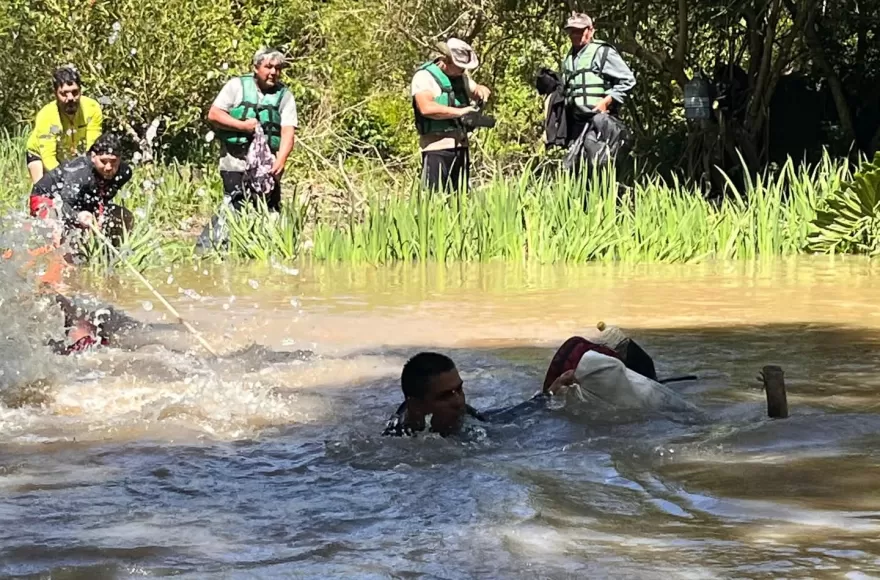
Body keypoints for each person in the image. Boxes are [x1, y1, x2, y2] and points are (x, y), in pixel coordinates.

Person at [383, 329, 697, 438]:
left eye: (460, 389)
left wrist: (546, 398)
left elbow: (500, 420)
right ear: (415, 405)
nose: (458, 402)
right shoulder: (400, 441)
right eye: (445, 396)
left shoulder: (461, 415)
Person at [207, 47, 297, 213]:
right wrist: (242, 126)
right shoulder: (236, 86)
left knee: (269, 211)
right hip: (235, 161)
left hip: (268, 164)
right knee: (234, 209)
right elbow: (214, 114)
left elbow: (288, 132)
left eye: (278, 68)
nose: (273, 72)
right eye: (268, 67)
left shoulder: (285, 95)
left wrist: (281, 160)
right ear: (256, 67)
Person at [411, 38, 491, 193]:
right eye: (460, 67)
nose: (463, 70)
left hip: (461, 147)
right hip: (436, 149)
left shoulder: (461, 77)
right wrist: (461, 112)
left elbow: (476, 89)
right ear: (446, 61)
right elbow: (426, 108)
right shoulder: (424, 77)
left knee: (460, 198)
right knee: (434, 197)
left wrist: (482, 92)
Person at [30, 132, 134, 251]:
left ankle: (111, 252)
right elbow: (65, 206)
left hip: (76, 200)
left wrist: (99, 214)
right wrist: (78, 215)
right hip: (46, 198)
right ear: (93, 157)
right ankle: (44, 256)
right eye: (103, 161)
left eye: (114, 162)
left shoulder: (124, 173)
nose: (109, 167)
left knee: (124, 216)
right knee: (58, 231)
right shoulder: (80, 173)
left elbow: (102, 197)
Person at [26, 66, 104, 184]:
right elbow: (48, 158)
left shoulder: (92, 108)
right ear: (55, 94)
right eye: (64, 94)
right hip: (39, 154)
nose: (70, 98)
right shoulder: (46, 115)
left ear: (81, 90)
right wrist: (67, 179)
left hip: (70, 154)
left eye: (75, 92)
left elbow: (93, 147)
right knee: (42, 189)